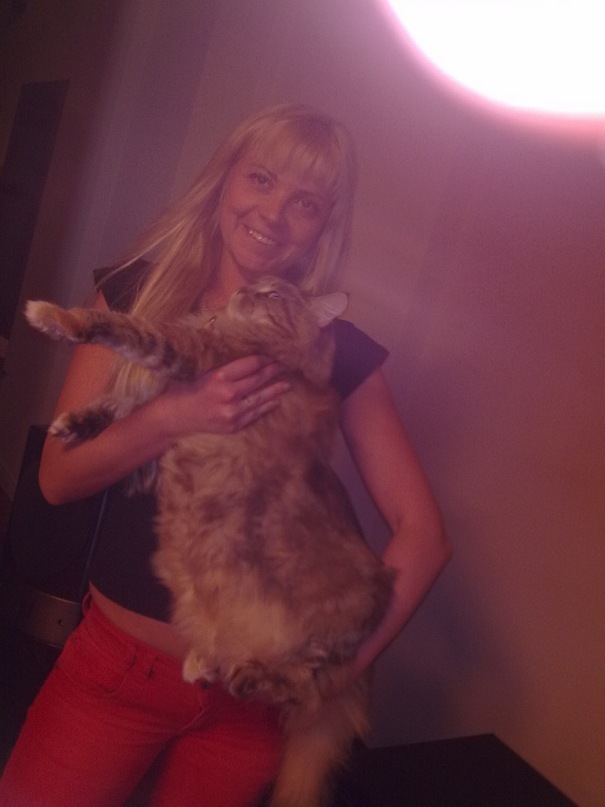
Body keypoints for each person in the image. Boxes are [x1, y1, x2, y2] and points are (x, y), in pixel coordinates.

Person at [0, 104, 451, 806]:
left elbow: (423, 534)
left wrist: (335, 671)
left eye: (305, 202)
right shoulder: (137, 293)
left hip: (251, 704)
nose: (274, 214)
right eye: (261, 180)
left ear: (324, 224)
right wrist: (175, 416)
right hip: (119, 671)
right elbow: (57, 480)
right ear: (224, 179)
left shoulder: (335, 346)